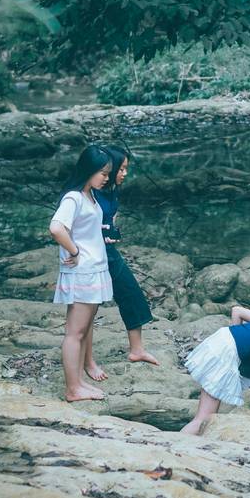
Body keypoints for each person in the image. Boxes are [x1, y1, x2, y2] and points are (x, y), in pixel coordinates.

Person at [48, 145, 115, 402]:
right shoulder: (73, 197)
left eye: (108, 173)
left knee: (84, 329)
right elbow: (56, 228)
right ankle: (72, 388)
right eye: (102, 172)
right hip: (83, 272)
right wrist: (74, 250)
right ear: (88, 170)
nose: (106, 177)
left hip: (93, 269)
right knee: (75, 332)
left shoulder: (90, 196)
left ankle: (78, 382)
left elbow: (84, 230)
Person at [93, 144, 159, 366]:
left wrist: (111, 231)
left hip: (107, 250)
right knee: (88, 307)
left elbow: (108, 220)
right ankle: (86, 360)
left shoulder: (111, 190)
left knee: (131, 293)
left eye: (125, 169)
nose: (124, 174)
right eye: (121, 169)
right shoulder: (88, 192)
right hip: (90, 254)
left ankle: (137, 350)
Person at [180, 305, 250, 435]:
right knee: (203, 419)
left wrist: (238, 336)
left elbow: (237, 311)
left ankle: (244, 426)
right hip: (224, 353)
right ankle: (172, 445)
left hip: (224, 339)